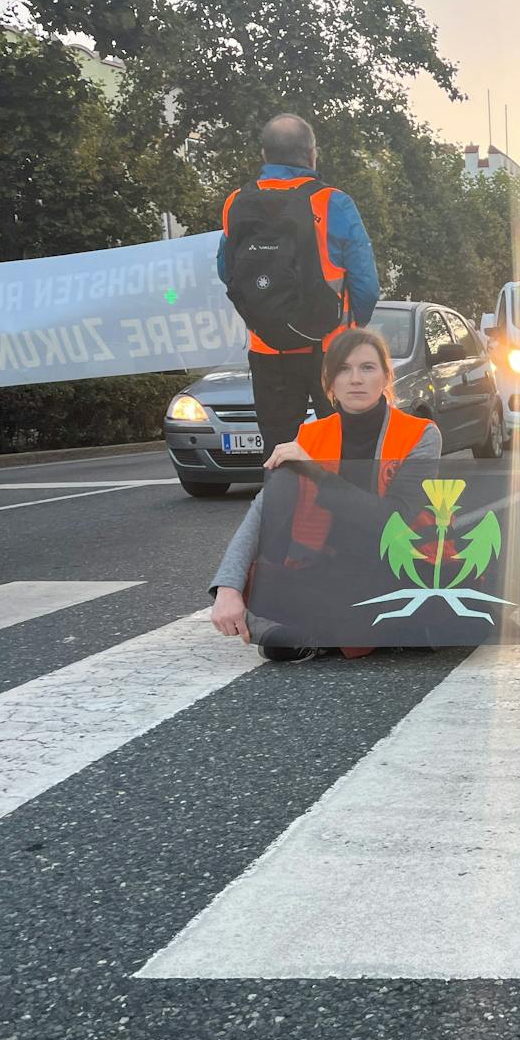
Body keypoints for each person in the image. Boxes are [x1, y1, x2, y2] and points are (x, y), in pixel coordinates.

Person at [209, 327, 441, 661]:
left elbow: (393, 521)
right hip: (326, 570)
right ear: (329, 383)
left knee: (461, 606)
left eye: (367, 367)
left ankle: (310, 631)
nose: (355, 379)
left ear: (386, 377)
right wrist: (227, 588)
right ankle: (340, 629)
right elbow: (263, 509)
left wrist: (316, 472)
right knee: (254, 580)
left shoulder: (421, 434)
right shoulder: (309, 436)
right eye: (343, 370)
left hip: (398, 565)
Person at [216, 113, 381, 457]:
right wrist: (352, 331)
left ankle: (283, 509)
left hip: (268, 351)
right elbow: (366, 285)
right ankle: (345, 510)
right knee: (347, 449)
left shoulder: (236, 202)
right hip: (330, 350)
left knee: (278, 453)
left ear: (264, 155)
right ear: (312, 154)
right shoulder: (333, 202)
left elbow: (225, 270)